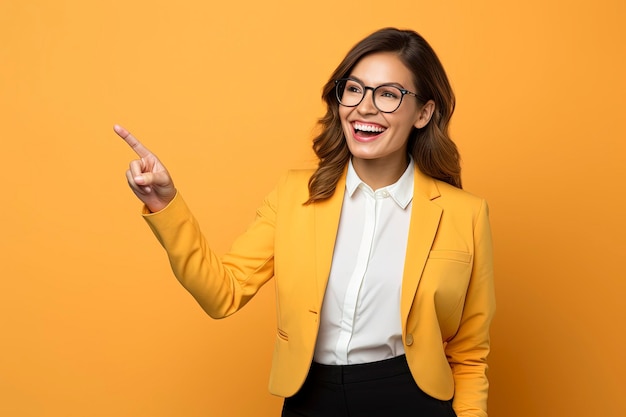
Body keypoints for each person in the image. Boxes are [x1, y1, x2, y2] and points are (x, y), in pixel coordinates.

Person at [115, 27, 495, 417]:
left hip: (412, 399)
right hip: (313, 399)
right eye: (354, 89)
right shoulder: (294, 195)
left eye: (388, 94)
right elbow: (221, 293)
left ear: (423, 113)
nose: (364, 107)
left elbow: (468, 354)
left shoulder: (464, 214)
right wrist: (165, 204)